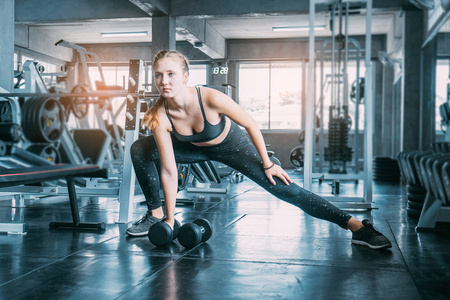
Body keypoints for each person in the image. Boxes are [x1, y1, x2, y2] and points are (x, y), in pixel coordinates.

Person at [126, 50, 392, 250]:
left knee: (284, 189)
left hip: (232, 146)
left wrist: (267, 163)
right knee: (140, 148)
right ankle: (156, 213)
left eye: (171, 74)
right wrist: (171, 221)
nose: (164, 81)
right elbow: (169, 170)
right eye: (158, 75)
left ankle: (356, 227)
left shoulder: (209, 98)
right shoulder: (159, 115)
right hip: (192, 149)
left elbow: (251, 123)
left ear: (185, 76)